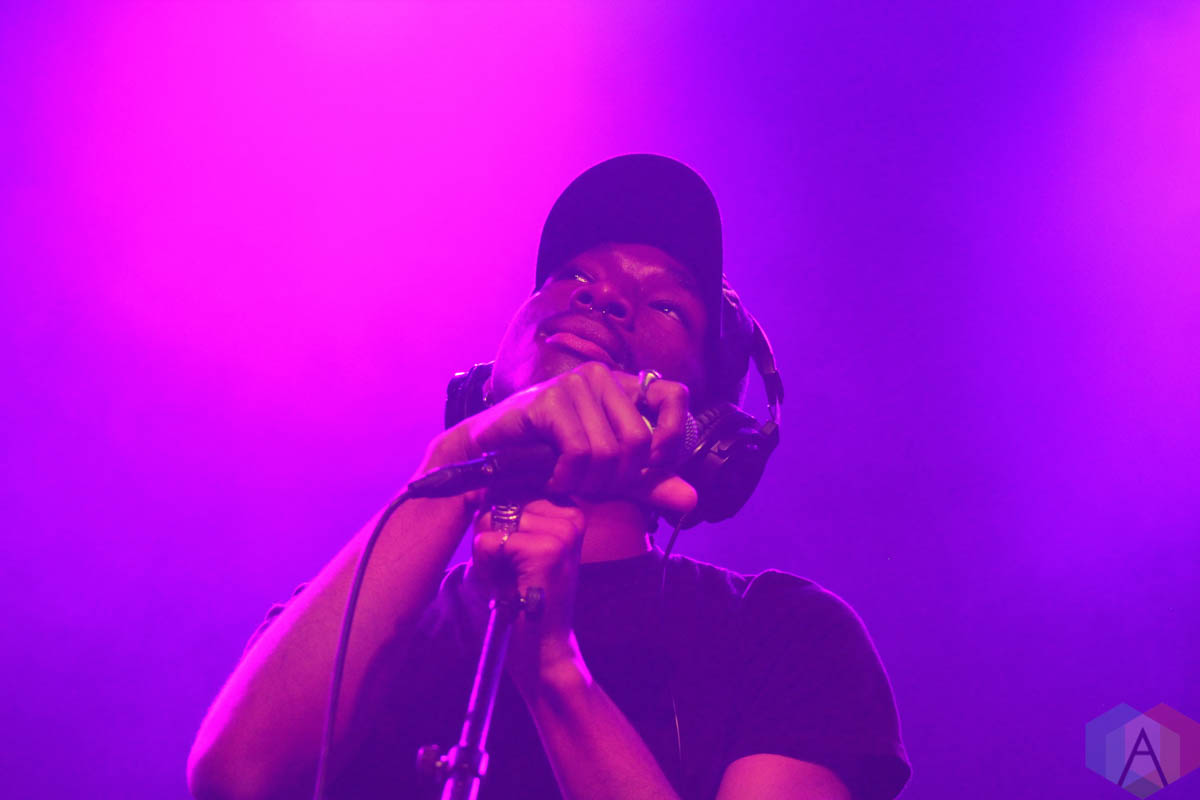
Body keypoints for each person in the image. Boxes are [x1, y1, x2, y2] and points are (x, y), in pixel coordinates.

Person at [187, 154, 911, 800]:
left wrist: (554, 671)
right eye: (574, 276)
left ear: (705, 429)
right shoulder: (360, 614)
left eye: (666, 304)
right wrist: (456, 458)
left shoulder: (785, 633)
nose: (601, 297)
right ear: (484, 382)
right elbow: (238, 779)